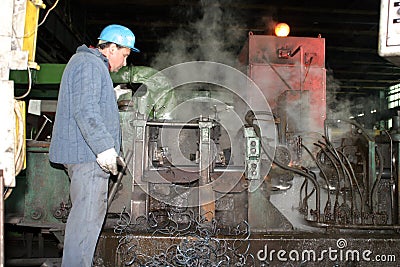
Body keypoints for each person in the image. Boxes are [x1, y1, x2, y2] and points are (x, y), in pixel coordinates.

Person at [49, 24, 139, 267]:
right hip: (87, 157)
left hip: (85, 156)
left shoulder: (89, 66)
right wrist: (104, 148)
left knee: (86, 221)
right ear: (111, 48)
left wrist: (110, 95)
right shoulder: (88, 65)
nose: (124, 62)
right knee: (86, 222)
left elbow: (89, 102)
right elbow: (85, 109)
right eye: (125, 54)